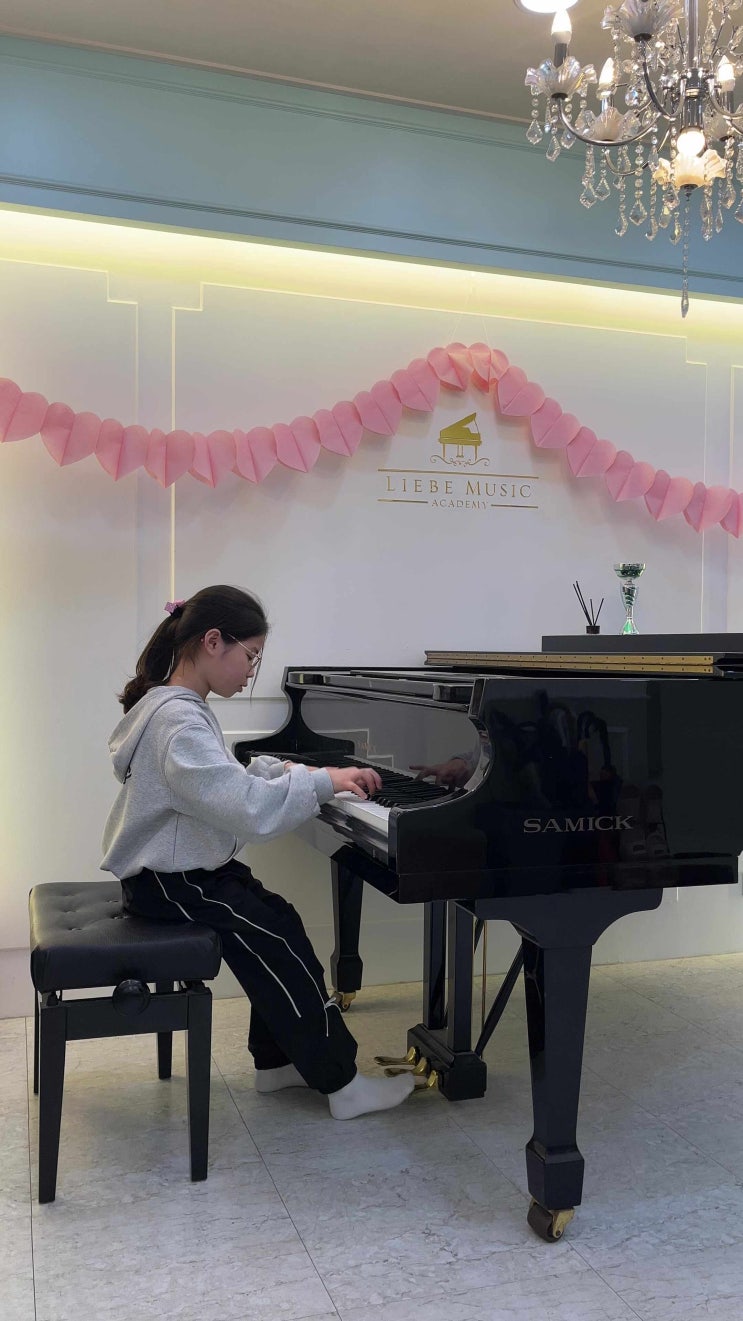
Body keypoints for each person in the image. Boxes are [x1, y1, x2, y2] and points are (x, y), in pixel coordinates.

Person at [101, 584, 414, 1120]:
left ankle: (276, 1063)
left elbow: (221, 780)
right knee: (276, 937)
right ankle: (342, 1084)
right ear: (213, 642)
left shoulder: (178, 708)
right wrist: (322, 782)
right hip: (172, 882)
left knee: (280, 918)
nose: (251, 671)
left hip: (181, 874)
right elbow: (245, 807)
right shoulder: (178, 721)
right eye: (251, 656)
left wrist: (307, 772)